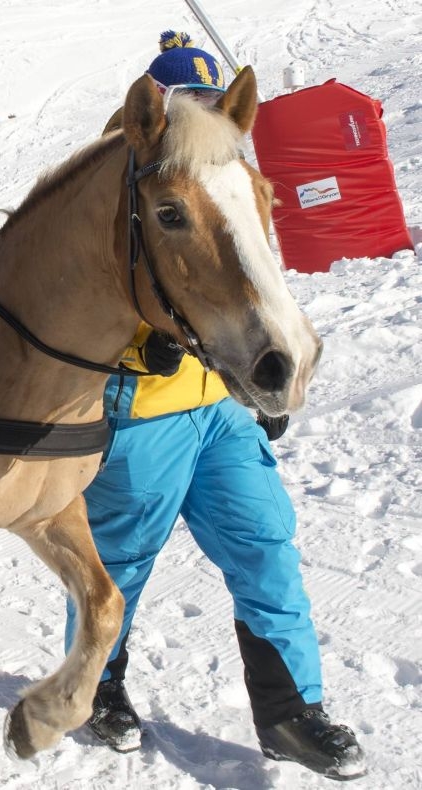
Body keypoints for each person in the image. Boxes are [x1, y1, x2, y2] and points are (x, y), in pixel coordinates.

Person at [63, 32, 366, 782]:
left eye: (211, 101)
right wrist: (144, 343)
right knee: (118, 566)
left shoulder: (225, 175)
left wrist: (266, 367)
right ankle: (94, 688)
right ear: (160, 107)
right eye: (188, 101)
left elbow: (247, 276)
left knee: (266, 547)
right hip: (144, 414)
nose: (202, 115)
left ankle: (290, 712)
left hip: (223, 412)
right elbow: (86, 294)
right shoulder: (121, 178)